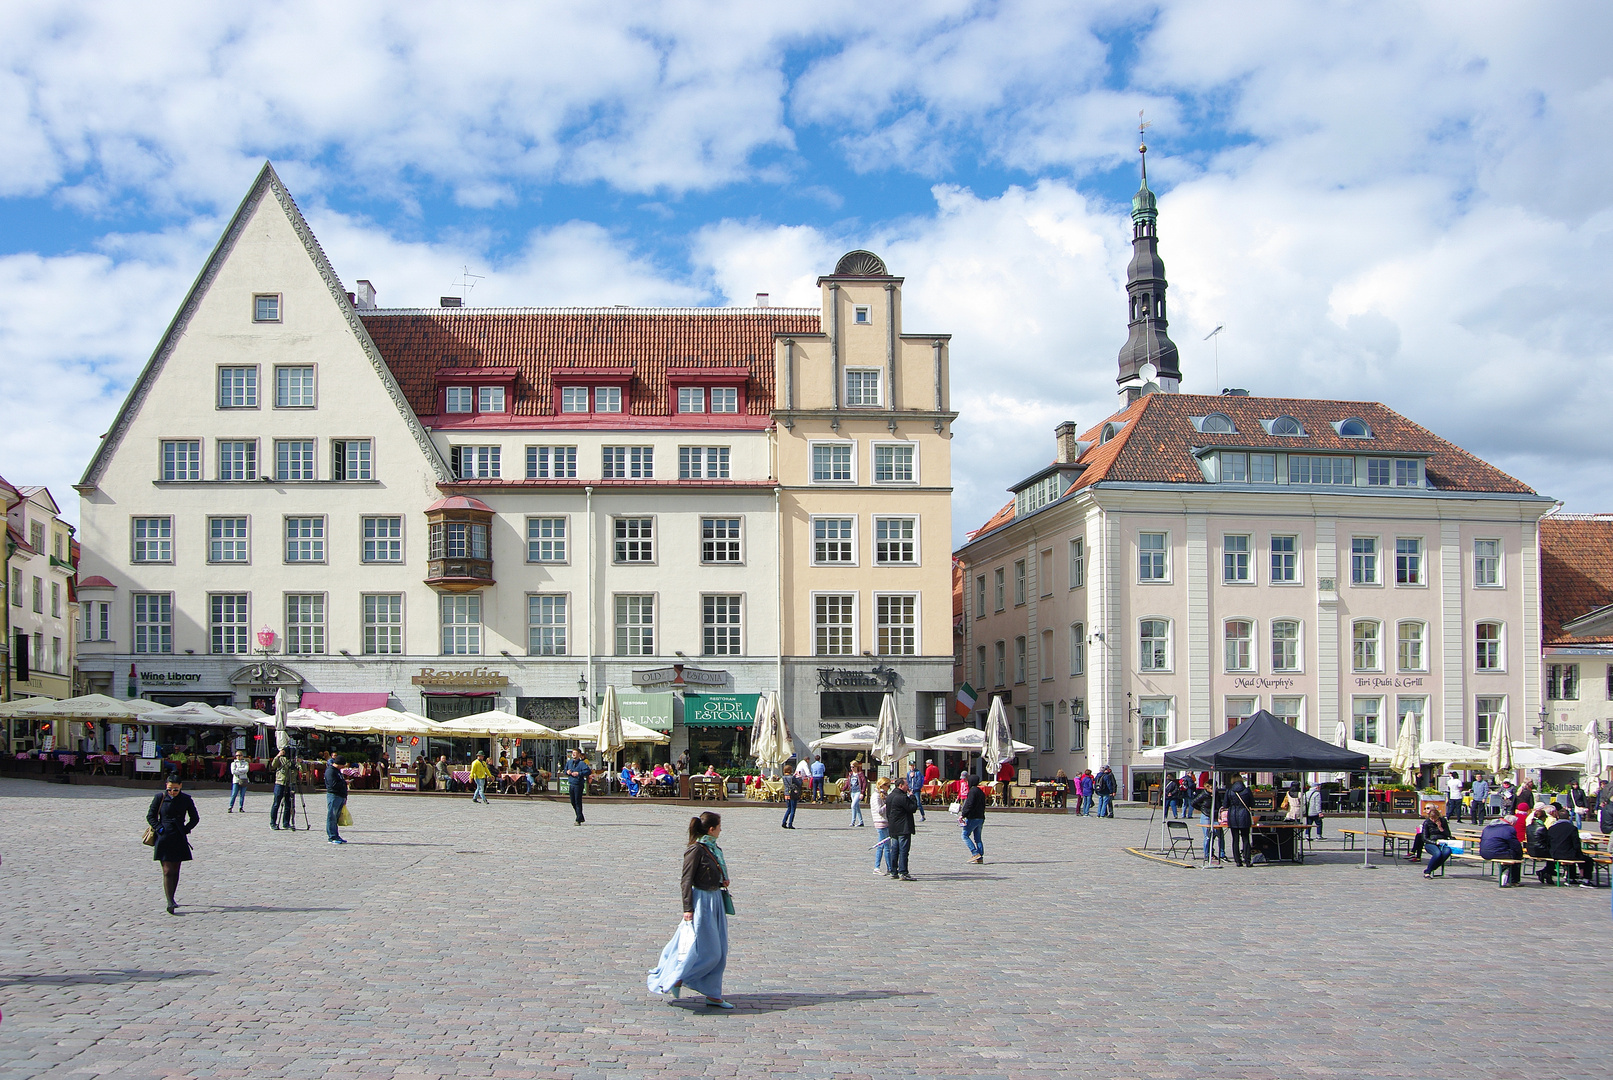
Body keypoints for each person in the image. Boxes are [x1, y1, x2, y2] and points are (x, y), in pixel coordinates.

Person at [648, 812, 733, 1009]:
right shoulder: (696, 850)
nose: (721, 829)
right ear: (711, 829)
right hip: (701, 902)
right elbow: (686, 880)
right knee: (711, 952)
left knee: (721, 950)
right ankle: (680, 978)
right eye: (719, 826)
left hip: (716, 900)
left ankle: (713, 993)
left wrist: (722, 880)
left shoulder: (713, 848)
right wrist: (688, 908)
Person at [147, 775, 200, 914]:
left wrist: (186, 829)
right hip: (163, 837)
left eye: (175, 789)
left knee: (175, 869)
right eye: (170, 789)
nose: (172, 792)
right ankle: (169, 900)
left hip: (178, 836)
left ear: (181, 786)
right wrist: (159, 828)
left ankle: (172, 897)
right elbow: (150, 816)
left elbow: (195, 818)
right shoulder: (160, 798)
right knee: (167, 870)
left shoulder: (186, 799)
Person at [1543, 805, 1597, 886]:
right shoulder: (1572, 828)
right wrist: (1579, 853)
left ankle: (1571, 877)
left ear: (1558, 817)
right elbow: (1576, 844)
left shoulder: (1552, 828)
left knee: (1571, 854)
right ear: (1568, 817)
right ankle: (1586, 880)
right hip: (1567, 854)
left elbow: (1548, 842)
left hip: (1554, 854)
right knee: (1587, 860)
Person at [884, 779, 918, 880]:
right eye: (906, 785)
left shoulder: (890, 796)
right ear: (900, 786)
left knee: (894, 850)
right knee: (903, 850)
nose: (908, 787)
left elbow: (888, 812)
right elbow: (912, 808)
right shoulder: (902, 797)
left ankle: (894, 871)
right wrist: (912, 796)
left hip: (893, 827)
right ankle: (903, 872)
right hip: (903, 828)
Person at [1479, 813, 1524, 886]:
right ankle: (1514, 880)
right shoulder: (1509, 829)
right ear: (1512, 823)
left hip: (1484, 852)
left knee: (1506, 851)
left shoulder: (1488, 827)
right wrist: (1520, 855)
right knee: (1516, 857)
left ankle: (1506, 872)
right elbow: (1515, 845)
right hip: (1497, 853)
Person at [1224, 774, 1254, 867]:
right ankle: (1247, 860)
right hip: (1244, 814)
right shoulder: (1247, 790)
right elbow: (1252, 803)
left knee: (1235, 839)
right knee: (1245, 838)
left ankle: (1238, 860)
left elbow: (1225, 805)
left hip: (1233, 815)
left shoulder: (1229, 791)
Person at [958, 771, 986, 864]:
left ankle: (975, 853)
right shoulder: (981, 792)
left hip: (973, 817)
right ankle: (980, 857)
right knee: (978, 838)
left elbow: (969, 805)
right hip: (981, 817)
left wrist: (963, 815)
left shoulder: (972, 792)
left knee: (964, 835)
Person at [1192, 786, 1225, 864]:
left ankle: (1222, 854)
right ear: (1207, 788)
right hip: (1206, 816)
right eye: (1211, 788)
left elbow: (1219, 805)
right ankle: (1207, 854)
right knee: (1208, 836)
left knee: (1220, 835)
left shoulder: (1217, 795)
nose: (1213, 789)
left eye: (1214, 787)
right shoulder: (1204, 794)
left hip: (1216, 816)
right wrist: (1202, 809)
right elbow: (1193, 803)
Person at [269, 745, 295, 831]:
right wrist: (278, 755)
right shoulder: (281, 759)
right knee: (276, 803)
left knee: (288, 804)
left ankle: (286, 823)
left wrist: (300, 762)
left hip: (290, 783)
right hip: (280, 782)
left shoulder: (294, 760)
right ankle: (273, 823)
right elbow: (273, 765)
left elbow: (303, 769)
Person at [324, 752, 349, 844]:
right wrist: (344, 783)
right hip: (334, 796)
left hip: (340, 796)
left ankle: (336, 835)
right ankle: (332, 836)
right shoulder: (330, 771)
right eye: (342, 765)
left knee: (336, 817)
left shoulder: (337, 771)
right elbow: (332, 785)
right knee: (332, 816)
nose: (343, 767)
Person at [871, 777, 892, 875]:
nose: (889, 788)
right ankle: (880, 867)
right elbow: (879, 811)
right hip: (880, 822)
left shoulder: (883, 795)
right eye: (888, 786)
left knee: (884, 845)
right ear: (882, 785)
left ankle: (888, 867)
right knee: (885, 846)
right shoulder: (876, 796)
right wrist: (888, 803)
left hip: (885, 821)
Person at [564, 749, 591, 825]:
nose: (573, 754)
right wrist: (567, 772)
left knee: (577, 801)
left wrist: (579, 773)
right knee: (572, 801)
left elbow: (588, 771)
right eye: (573, 753)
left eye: (575, 753)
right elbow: (565, 770)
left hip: (578, 784)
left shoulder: (582, 763)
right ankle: (580, 816)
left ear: (579, 754)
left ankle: (578, 819)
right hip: (571, 783)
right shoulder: (569, 762)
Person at [846, 761, 867, 827]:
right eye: (851, 767)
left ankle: (853, 821)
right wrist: (843, 790)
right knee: (857, 807)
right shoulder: (850, 774)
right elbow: (847, 783)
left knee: (853, 805)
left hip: (858, 791)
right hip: (852, 791)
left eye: (853, 767)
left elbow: (864, 783)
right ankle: (861, 821)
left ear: (856, 767)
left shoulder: (860, 774)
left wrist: (862, 792)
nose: (851, 768)